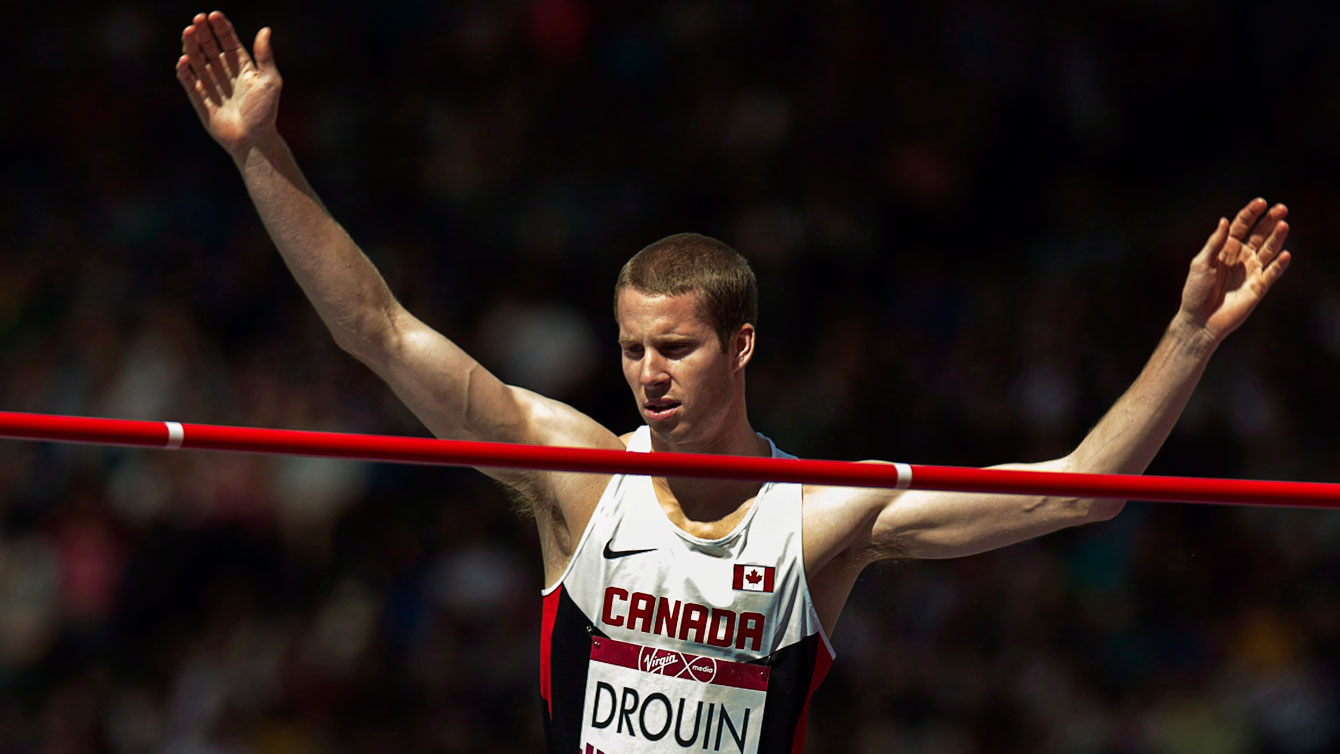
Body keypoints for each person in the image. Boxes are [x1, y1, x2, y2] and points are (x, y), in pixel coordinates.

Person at [175, 10, 1292, 753]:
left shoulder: (822, 516)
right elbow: (376, 328)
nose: (646, 376)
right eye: (629, 349)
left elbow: (1077, 491)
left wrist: (1187, 334)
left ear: (741, 346)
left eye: (676, 348)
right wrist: (259, 154)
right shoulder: (571, 474)